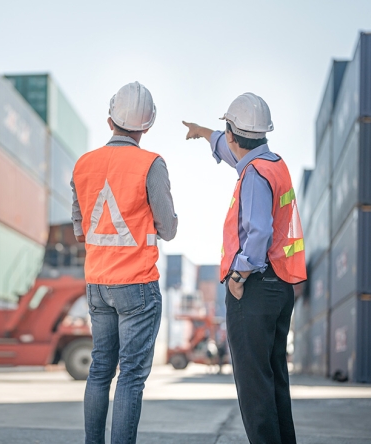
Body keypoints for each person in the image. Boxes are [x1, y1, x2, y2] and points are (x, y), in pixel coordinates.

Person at [183, 93, 306, 444]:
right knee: (273, 381)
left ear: (233, 134)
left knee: (254, 389)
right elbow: (229, 148)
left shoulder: (253, 175)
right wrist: (204, 133)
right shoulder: (272, 162)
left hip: (253, 289)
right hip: (280, 286)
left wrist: (239, 275)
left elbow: (259, 231)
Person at [71, 81, 177, 444]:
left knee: (100, 369)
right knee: (130, 375)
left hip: (97, 284)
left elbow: (80, 228)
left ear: (110, 119)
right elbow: (169, 228)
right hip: (136, 284)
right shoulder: (150, 164)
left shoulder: (83, 165)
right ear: (146, 127)